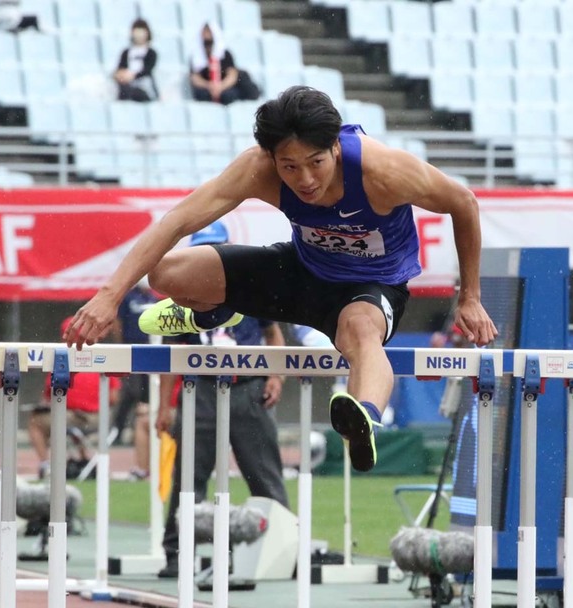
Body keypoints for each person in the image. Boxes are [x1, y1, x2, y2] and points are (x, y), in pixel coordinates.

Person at [65, 85, 498, 475]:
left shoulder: (382, 170)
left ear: (335, 147)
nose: (305, 180)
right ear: (273, 158)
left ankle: (362, 417)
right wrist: (109, 296)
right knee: (166, 270)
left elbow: (463, 202)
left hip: (369, 287)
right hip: (300, 271)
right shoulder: (258, 168)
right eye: (290, 167)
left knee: (362, 332)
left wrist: (470, 297)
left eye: (316, 163)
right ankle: (214, 309)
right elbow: (178, 219)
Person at [156, 221, 289, 579]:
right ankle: (176, 553)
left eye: (217, 249)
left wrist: (276, 375)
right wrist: (164, 406)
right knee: (189, 476)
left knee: (264, 472)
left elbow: (273, 332)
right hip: (198, 389)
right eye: (203, 251)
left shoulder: (253, 288)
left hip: (248, 387)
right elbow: (171, 353)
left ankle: (281, 552)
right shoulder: (180, 300)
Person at [29, 317, 121, 479]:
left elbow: (50, 396)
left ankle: (46, 463)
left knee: (35, 422)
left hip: (69, 418)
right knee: (71, 426)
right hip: (98, 420)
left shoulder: (61, 361)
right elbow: (113, 398)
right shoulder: (103, 356)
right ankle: (84, 459)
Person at [110, 277, 157, 480]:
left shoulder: (156, 300)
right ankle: (117, 430)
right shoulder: (129, 298)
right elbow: (119, 323)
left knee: (147, 395)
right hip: (132, 351)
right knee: (129, 393)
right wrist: (122, 348)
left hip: (152, 353)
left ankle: (140, 427)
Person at [189, 21, 259, 104]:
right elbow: (194, 77)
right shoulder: (196, 56)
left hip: (225, 86)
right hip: (208, 89)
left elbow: (232, 75)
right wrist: (209, 86)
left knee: (237, 88)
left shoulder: (225, 54)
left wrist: (220, 87)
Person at [113, 18, 159, 102]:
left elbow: (147, 69)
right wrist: (120, 75)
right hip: (127, 85)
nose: (138, 35)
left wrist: (133, 76)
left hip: (144, 87)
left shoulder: (151, 53)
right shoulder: (126, 52)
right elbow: (121, 67)